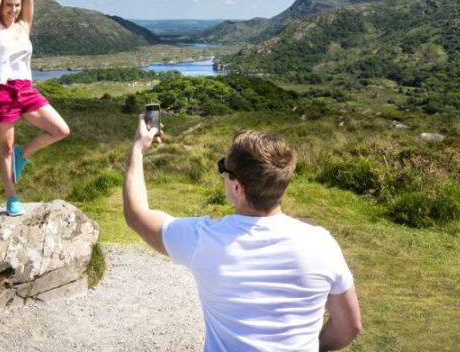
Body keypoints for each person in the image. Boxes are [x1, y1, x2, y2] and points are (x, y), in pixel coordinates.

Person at [123, 118, 362, 351]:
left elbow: (136, 214)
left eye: (222, 168)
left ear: (237, 187)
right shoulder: (322, 244)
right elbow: (349, 327)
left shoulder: (202, 241)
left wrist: (138, 148)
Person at [0, 0, 70, 217]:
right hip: (1, 93)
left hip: (26, 90)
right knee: (4, 150)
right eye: (8, 5)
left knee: (60, 130)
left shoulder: (24, 25)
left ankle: (25, 154)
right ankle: (12, 198)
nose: (12, 9)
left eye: (16, 6)